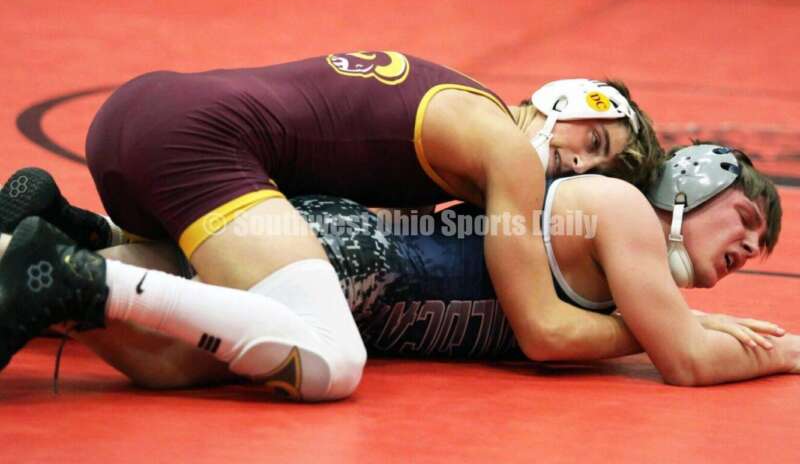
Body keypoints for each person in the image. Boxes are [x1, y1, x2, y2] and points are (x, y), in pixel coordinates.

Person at [0, 51, 663, 400]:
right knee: (329, 359)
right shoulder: (510, 154)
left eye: (597, 171)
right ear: (568, 102)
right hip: (199, 142)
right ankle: (75, 279)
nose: (576, 164)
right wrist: (659, 327)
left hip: (140, 118)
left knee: (196, 338)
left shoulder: (469, 111)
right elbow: (542, 330)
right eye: (595, 143)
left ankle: (71, 233)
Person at [0, 143, 795, 396]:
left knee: (173, 292)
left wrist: (675, 322)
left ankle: (53, 237)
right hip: (367, 268)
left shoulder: (625, 258)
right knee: (183, 360)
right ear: (694, 185)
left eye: (759, 252)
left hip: (355, 255)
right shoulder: (617, 209)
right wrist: (788, 349)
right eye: (748, 223)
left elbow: (668, 339)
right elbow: (684, 361)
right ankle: (67, 274)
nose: (746, 255)